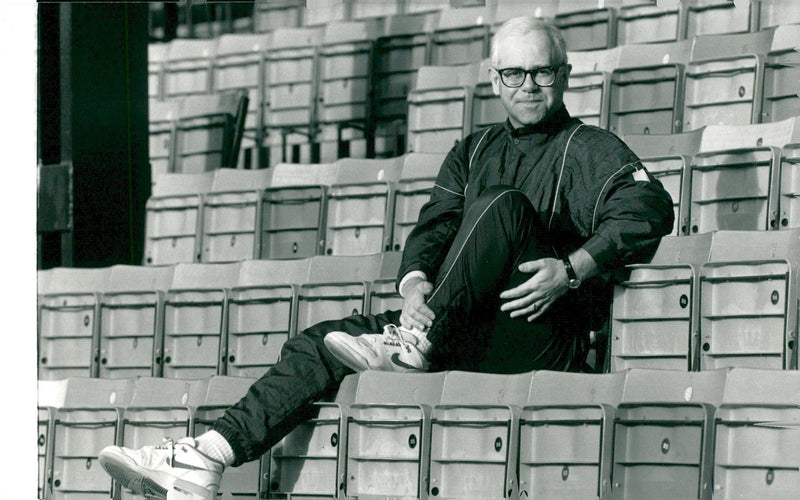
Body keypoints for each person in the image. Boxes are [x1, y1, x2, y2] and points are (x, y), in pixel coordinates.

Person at [98, 17, 674, 499]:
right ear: (494, 80)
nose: (528, 85)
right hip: (466, 329)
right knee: (318, 341)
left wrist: (572, 269)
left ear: (564, 76)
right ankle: (208, 455)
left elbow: (648, 209)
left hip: (543, 334)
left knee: (502, 207)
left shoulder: (592, 147)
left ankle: (411, 342)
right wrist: (416, 288)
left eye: (542, 71)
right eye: (514, 73)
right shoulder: (471, 150)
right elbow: (434, 227)